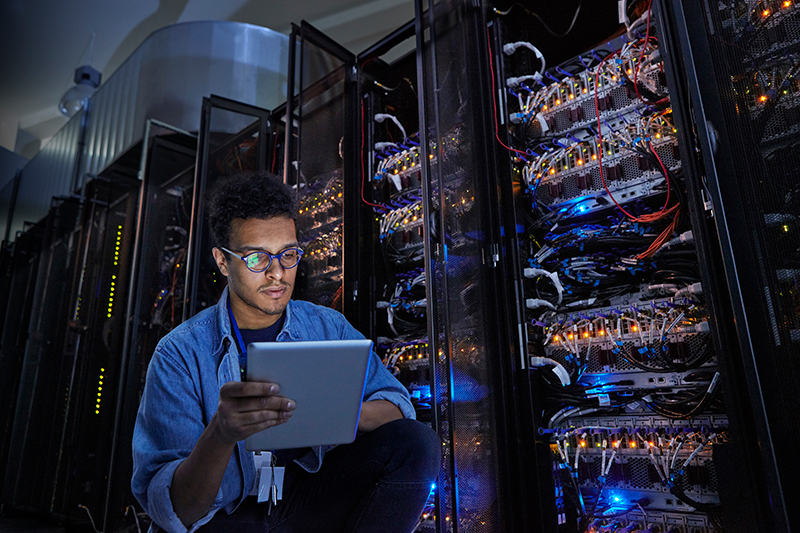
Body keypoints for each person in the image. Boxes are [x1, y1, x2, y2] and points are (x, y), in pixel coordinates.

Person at [132, 171, 440, 533]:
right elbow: (177, 510)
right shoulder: (179, 354)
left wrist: (334, 412)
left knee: (416, 443)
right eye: (256, 259)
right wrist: (221, 433)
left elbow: (396, 405)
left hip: (302, 503)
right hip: (226, 518)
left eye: (288, 254)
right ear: (221, 261)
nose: (278, 273)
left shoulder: (328, 328)